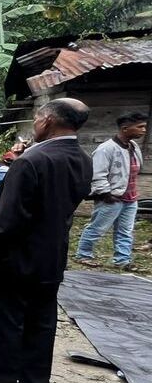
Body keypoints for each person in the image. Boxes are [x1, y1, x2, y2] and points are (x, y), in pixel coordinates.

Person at [0, 99, 93, 383]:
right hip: (50, 257)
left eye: (37, 117)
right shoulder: (83, 159)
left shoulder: (32, 162)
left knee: (3, 322)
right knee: (40, 324)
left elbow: (9, 219)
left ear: (47, 121)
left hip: (12, 258)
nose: (35, 122)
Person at [75, 112, 147, 271]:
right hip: (111, 198)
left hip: (130, 198)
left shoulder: (133, 147)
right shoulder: (106, 149)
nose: (143, 130)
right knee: (98, 228)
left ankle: (122, 260)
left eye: (144, 127)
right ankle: (83, 254)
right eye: (140, 127)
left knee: (126, 231)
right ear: (125, 128)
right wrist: (106, 194)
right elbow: (97, 174)